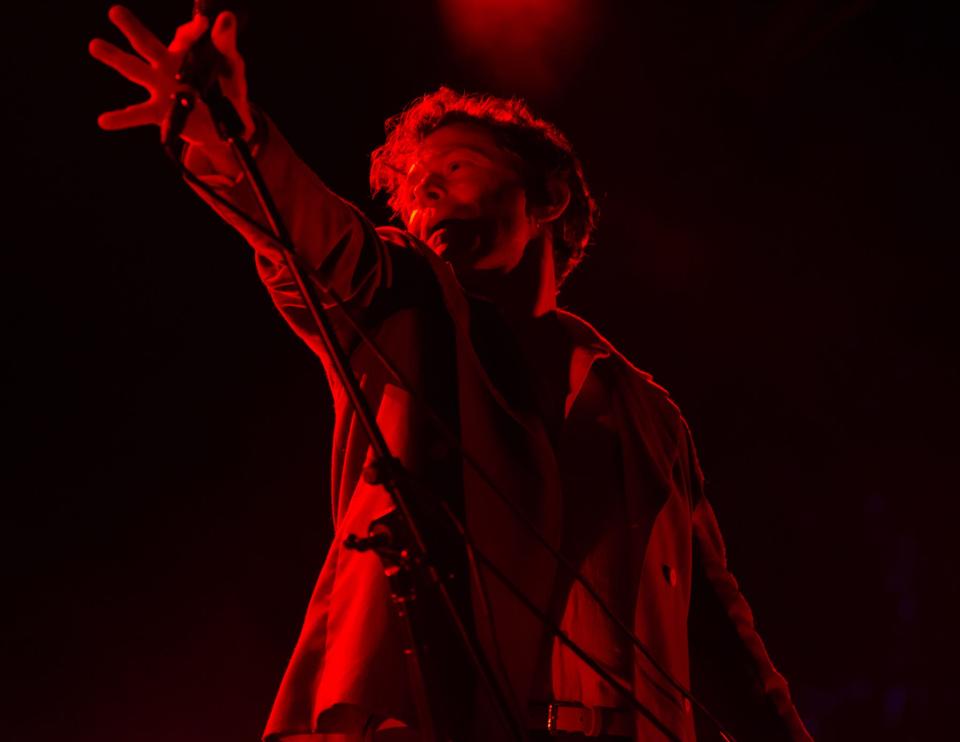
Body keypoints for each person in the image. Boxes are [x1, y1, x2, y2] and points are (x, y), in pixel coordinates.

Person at [90, 6, 814, 741]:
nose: (422, 193)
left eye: (455, 169)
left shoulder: (647, 413)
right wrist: (230, 139)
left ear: (548, 196)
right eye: (410, 188)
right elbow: (314, 241)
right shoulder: (404, 309)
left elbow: (722, 638)